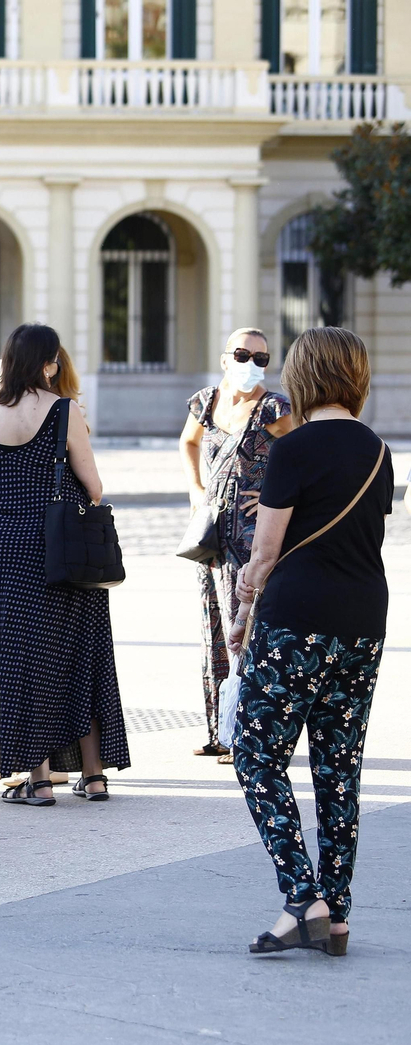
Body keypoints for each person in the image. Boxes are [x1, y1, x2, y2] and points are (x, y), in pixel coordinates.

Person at [227, 327, 392, 957]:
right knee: (338, 768)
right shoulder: (379, 452)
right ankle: (338, 915)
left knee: (256, 753)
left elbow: (264, 554)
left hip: (296, 619)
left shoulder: (291, 450)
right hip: (363, 622)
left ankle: (303, 897)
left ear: (306, 374)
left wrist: (241, 612)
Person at [0, 323, 130, 805]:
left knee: (17, 657)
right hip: (59, 546)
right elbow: (93, 487)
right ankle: (93, 776)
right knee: (80, 652)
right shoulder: (65, 411)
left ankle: (40, 778)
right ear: (49, 362)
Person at [179, 328, 295, 763]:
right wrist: (194, 489)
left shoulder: (274, 407)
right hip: (209, 533)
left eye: (261, 358)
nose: (251, 364)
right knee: (213, 625)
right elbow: (188, 441)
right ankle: (219, 729)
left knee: (243, 630)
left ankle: (245, 732)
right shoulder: (206, 401)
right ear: (225, 357)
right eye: (244, 354)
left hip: (250, 536)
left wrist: (269, 493)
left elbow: (300, 454)